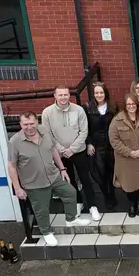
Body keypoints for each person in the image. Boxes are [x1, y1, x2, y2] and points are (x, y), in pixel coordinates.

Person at [9, 112, 90, 247]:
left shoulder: (44, 132)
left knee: (70, 192)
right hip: (34, 183)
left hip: (53, 176)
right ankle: (46, 232)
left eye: (32, 123)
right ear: (20, 125)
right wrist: (17, 188)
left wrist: (62, 169)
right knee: (41, 210)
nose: (29, 127)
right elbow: (11, 166)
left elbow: (53, 150)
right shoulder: (15, 142)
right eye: (25, 124)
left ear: (37, 122)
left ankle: (71, 219)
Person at [41, 86, 101, 221]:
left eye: (65, 95)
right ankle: (78, 203)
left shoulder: (79, 110)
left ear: (69, 96)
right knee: (69, 180)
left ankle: (92, 206)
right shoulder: (47, 113)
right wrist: (62, 150)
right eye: (60, 95)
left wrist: (72, 149)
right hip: (60, 153)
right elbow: (47, 134)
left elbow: (84, 131)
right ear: (55, 96)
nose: (63, 97)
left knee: (86, 179)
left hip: (78, 150)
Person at [108, 94, 139, 218]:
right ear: (125, 106)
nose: (131, 106)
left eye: (133, 104)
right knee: (129, 185)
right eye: (129, 104)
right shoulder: (117, 120)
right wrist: (129, 152)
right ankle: (132, 204)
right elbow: (114, 140)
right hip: (125, 160)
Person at [84, 82, 119, 210]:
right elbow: (84, 127)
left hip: (111, 145)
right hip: (96, 145)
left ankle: (112, 194)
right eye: (97, 93)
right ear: (93, 94)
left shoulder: (113, 106)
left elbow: (117, 126)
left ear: (105, 93)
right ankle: (106, 195)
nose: (99, 95)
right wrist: (89, 143)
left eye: (101, 92)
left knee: (111, 171)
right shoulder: (88, 108)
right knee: (99, 172)